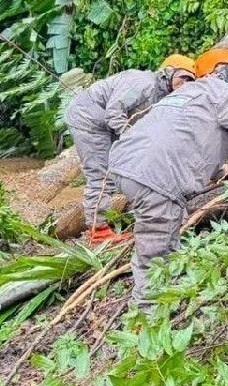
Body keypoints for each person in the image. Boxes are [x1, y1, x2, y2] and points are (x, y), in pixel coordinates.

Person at [108, 49, 228, 306]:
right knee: (156, 255)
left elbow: (185, 136)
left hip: (127, 164)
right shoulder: (219, 91)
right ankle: (146, 316)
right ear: (223, 73)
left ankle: (170, 287)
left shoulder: (188, 93)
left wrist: (219, 170)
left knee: (169, 228)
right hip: (154, 176)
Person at [64, 55, 197, 245]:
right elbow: (114, 113)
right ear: (168, 72)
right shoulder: (143, 83)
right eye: (182, 77)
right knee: (101, 174)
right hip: (89, 119)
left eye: (190, 80)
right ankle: (98, 231)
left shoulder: (165, 94)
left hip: (105, 123)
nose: (184, 83)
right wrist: (133, 137)